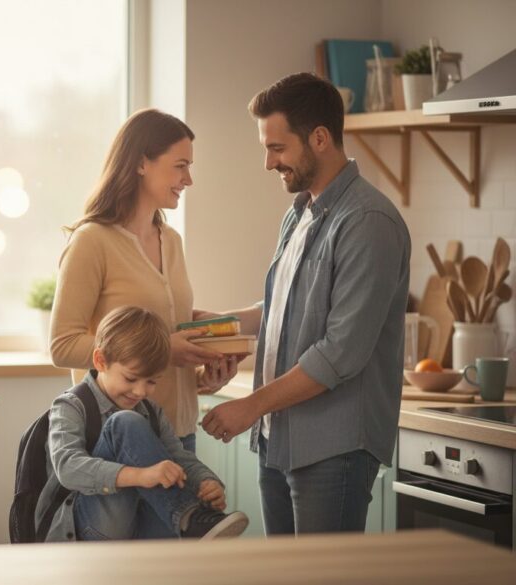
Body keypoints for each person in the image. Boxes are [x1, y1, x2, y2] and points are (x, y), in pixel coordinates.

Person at [199, 72, 410, 534]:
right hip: (282, 437)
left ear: (319, 139)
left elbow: (340, 352)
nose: (268, 163)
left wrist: (250, 405)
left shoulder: (368, 221)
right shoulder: (301, 212)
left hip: (334, 446)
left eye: (277, 148)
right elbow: (282, 309)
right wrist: (214, 324)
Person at [51, 108, 240, 453]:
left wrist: (203, 379)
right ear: (141, 163)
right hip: (119, 438)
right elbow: (62, 346)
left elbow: (162, 348)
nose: (189, 179)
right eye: (180, 165)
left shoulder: (171, 241)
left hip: (179, 435)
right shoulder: (92, 241)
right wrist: (165, 347)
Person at [38, 305, 249, 542]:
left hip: (141, 528)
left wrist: (207, 481)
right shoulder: (71, 406)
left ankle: (194, 520)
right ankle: (191, 519)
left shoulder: (150, 410)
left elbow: (179, 457)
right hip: (94, 530)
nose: (140, 391)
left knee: (163, 454)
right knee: (125, 422)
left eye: (152, 381)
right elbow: (68, 468)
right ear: (100, 360)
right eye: (130, 378)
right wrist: (140, 475)